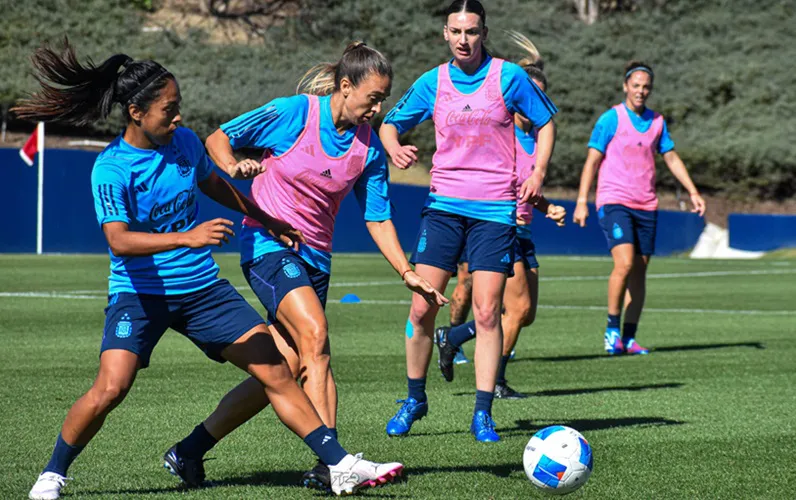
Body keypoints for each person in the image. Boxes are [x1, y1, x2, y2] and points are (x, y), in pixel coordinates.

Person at [14, 40, 402, 500]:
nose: (178, 117)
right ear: (136, 113)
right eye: (168, 109)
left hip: (202, 292)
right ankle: (53, 473)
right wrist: (188, 237)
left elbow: (214, 183)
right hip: (140, 296)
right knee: (111, 388)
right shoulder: (112, 168)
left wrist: (270, 218)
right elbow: (119, 240)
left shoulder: (183, 143)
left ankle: (338, 463)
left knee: (278, 369)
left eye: (178, 106)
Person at [166, 42, 447, 492]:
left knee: (280, 370)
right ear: (344, 86)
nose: (378, 108)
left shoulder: (369, 150)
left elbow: (377, 216)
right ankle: (332, 464)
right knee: (316, 337)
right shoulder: (294, 113)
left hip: (316, 261)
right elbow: (217, 139)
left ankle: (189, 451)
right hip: (267, 246)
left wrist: (406, 271)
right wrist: (234, 165)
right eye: (372, 97)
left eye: (384, 100)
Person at [379, 0, 558, 443]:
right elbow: (388, 124)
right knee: (422, 305)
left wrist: (537, 173)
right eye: (456, 31)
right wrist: (394, 148)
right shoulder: (433, 82)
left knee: (486, 312)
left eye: (472, 31)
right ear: (445, 33)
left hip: (495, 210)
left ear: (484, 33)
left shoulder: (508, 77)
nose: (464, 39)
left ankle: (482, 412)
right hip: (443, 206)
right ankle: (414, 398)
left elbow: (547, 122)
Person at [435, 31, 566, 400]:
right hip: (498, 225)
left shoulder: (537, 141)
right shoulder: (502, 134)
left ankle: (455, 336)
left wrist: (546, 206)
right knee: (504, 306)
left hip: (523, 228)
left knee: (524, 313)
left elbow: (525, 186)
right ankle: (493, 381)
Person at [572, 60, 706, 355]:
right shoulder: (611, 119)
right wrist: (582, 201)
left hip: (646, 203)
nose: (641, 91)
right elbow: (592, 161)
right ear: (625, 87)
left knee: (640, 272)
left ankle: (629, 338)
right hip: (614, 200)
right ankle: (611, 330)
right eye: (636, 86)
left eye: (646, 87)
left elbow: (670, 157)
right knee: (625, 263)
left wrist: (693, 191)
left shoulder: (657, 122)